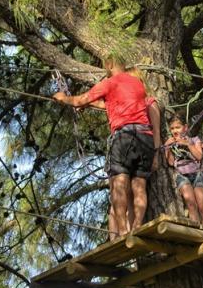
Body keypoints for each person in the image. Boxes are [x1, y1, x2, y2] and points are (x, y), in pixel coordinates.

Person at [53, 55, 155, 239]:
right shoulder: (137, 83)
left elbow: (79, 100)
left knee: (119, 184)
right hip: (145, 137)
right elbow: (113, 104)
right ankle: (137, 226)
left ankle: (123, 231)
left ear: (108, 65)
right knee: (139, 186)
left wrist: (63, 98)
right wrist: (91, 103)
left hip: (124, 136)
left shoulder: (109, 82)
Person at [164, 115, 203, 227]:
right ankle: (196, 230)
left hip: (197, 174)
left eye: (178, 127)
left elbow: (199, 156)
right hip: (182, 176)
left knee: (201, 205)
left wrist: (187, 144)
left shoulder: (194, 140)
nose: (175, 131)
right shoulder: (172, 144)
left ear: (185, 128)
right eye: (172, 128)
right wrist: (167, 147)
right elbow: (170, 162)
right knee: (191, 204)